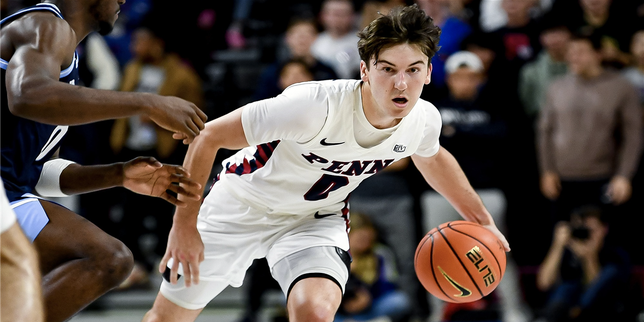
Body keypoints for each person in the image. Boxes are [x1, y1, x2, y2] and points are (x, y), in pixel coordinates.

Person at [142, 5, 509, 322]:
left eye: (414, 70)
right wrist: (184, 227)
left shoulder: (423, 120)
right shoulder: (314, 105)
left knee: (315, 312)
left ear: (429, 73)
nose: (401, 83)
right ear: (365, 70)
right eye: (387, 69)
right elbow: (208, 137)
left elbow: (432, 156)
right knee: (166, 317)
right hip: (238, 207)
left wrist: (479, 218)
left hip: (314, 219)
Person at [0, 1, 208, 321]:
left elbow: (39, 171)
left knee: (106, 259)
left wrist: (120, 174)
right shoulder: (45, 25)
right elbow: (27, 95)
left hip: (10, 189)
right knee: (105, 258)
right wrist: (147, 103)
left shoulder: (62, 51)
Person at [422, 51, 530, 322]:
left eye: (470, 76)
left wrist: (456, 132)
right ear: (449, 78)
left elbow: (503, 138)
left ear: (480, 78)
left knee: (498, 251)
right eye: (459, 76)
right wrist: (475, 137)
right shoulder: (433, 105)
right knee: (434, 254)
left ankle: (513, 311)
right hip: (439, 192)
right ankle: (438, 313)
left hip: (486, 190)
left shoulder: (494, 104)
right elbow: (425, 142)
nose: (464, 82)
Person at [537, 31, 643, 226]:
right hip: (562, 179)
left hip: (604, 177)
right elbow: (545, 133)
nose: (573, 57)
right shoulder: (556, 87)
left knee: (605, 241)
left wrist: (624, 176)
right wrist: (547, 170)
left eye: (580, 52)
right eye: (570, 51)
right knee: (562, 237)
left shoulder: (621, 86)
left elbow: (633, 135)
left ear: (598, 54)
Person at [535, 206, 630, 322]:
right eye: (582, 228)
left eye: (592, 229)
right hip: (560, 312)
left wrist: (589, 258)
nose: (587, 234)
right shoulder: (567, 251)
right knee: (566, 287)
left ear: (605, 228)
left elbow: (597, 292)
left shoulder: (615, 255)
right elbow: (544, 283)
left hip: (599, 312)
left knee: (610, 272)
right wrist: (557, 246)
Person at [335, 212, 411, 322]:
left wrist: (368, 297)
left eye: (367, 239)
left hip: (372, 307)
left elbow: (390, 284)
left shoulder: (380, 254)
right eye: (360, 238)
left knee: (399, 301)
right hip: (341, 310)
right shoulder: (337, 255)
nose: (364, 243)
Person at [0, 178, 43, 322]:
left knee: (107, 255)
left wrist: (112, 175)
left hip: (19, 194)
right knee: (21, 262)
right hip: (12, 196)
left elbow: (41, 169)